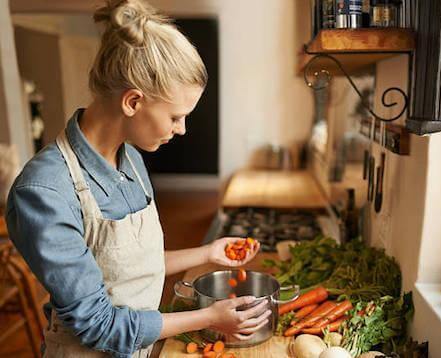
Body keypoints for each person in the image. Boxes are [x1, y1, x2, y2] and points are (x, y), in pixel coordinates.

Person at [6, 0, 270, 356]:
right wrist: (207, 317)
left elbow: (129, 267)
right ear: (132, 102)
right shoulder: (44, 191)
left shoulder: (130, 159)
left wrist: (207, 252)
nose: (182, 130)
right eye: (176, 117)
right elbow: (98, 323)